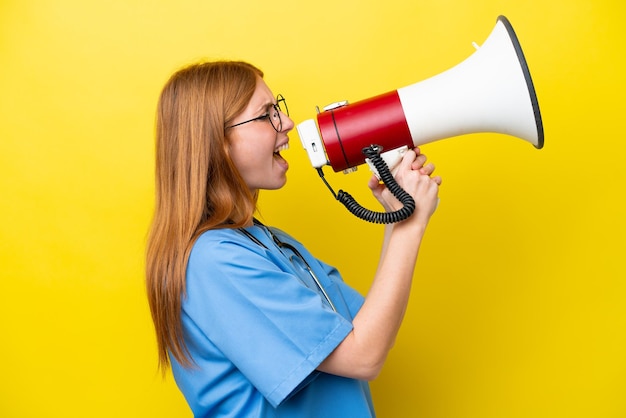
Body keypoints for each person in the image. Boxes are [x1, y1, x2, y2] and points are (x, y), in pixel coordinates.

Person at [145, 60, 441, 418]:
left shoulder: (271, 243)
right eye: (266, 114)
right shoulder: (215, 261)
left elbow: (370, 329)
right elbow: (364, 357)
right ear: (219, 142)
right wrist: (411, 226)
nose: (287, 123)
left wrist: (399, 213)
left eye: (278, 110)